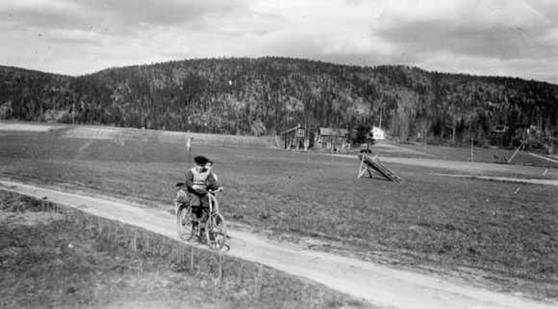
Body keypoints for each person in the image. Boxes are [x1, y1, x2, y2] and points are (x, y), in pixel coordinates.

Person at [177, 155, 220, 236]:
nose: (200, 167)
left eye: (202, 166)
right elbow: (188, 181)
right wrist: (193, 186)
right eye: (199, 165)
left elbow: (212, 182)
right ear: (195, 165)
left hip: (203, 192)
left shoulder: (208, 173)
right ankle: (194, 225)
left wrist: (218, 187)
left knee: (207, 207)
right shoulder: (190, 172)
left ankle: (203, 227)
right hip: (193, 192)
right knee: (196, 204)